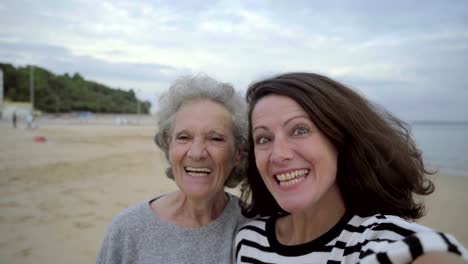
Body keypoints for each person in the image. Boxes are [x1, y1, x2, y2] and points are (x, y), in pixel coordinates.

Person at [234, 72, 468, 263]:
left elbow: (429, 253)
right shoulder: (248, 240)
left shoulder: (380, 241)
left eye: (300, 130)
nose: (279, 154)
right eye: (263, 139)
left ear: (339, 140)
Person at [97, 74, 248, 264]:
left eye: (215, 138)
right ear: (168, 146)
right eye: (184, 137)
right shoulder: (127, 230)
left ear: (238, 154)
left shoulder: (255, 228)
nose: (196, 153)